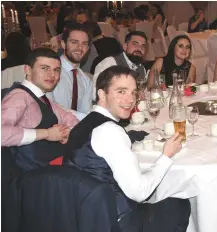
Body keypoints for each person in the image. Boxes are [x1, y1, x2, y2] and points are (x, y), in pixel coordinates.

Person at [63, 65, 191, 232]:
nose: (130, 99)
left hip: (84, 215)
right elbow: (140, 192)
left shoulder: (83, 125)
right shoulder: (110, 131)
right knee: (181, 203)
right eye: (121, 92)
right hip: (117, 222)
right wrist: (166, 155)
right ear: (102, 94)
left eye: (133, 93)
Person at [1, 48, 79, 172]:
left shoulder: (41, 97)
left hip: (53, 168)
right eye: (44, 68)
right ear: (28, 70)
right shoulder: (19, 96)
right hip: (33, 177)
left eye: (56, 70)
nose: (52, 75)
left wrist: (68, 133)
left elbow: (69, 118)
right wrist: (47, 133)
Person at [47, 22, 93, 115]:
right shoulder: (49, 72)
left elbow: (85, 113)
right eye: (74, 42)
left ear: (88, 48)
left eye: (84, 44)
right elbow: (50, 109)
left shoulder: (86, 81)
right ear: (63, 44)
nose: (79, 48)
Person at [93, 31, 149, 101]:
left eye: (143, 46)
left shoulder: (141, 68)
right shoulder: (110, 63)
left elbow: (144, 93)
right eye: (135, 44)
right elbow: (95, 93)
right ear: (125, 46)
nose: (139, 48)